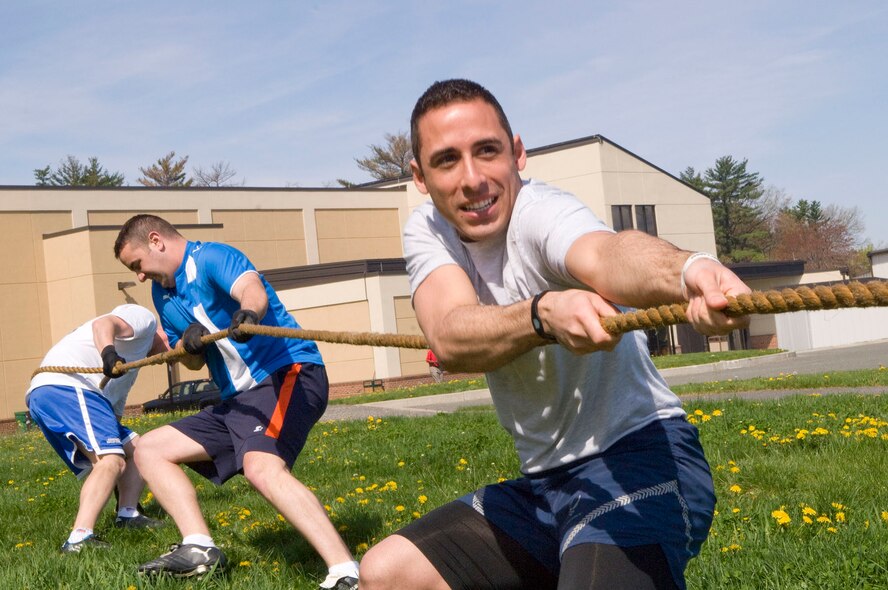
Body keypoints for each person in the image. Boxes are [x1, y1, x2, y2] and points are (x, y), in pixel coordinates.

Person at [359, 79, 752, 590]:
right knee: (385, 575)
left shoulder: (541, 212)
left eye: (487, 151)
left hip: (643, 459)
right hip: (545, 488)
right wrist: (542, 315)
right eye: (447, 160)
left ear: (517, 154)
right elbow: (449, 334)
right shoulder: (427, 230)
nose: (473, 178)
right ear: (419, 176)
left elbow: (606, 255)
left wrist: (688, 270)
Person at [113, 214, 358, 589]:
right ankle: (199, 548)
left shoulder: (212, 257)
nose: (139, 276)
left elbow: (252, 290)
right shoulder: (163, 294)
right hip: (238, 399)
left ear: (156, 240)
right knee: (149, 449)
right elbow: (193, 359)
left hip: (287, 372)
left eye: (138, 265)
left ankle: (346, 573)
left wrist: (248, 314)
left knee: (261, 467)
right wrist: (187, 344)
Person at [26, 304, 167, 553]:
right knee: (111, 460)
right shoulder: (145, 320)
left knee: (140, 448)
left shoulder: (133, 365)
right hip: (66, 386)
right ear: (166, 330)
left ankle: (127, 514)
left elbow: (111, 417)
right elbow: (102, 325)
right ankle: (79, 537)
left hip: (59, 393)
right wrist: (108, 353)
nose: (171, 351)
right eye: (173, 340)